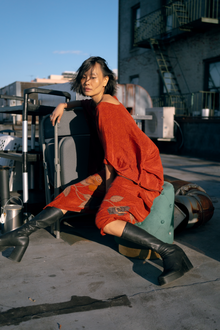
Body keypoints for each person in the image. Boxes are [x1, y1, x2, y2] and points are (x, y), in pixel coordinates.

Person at [0, 56, 193, 285]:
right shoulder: (100, 103)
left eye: (93, 76)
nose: (87, 81)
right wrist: (65, 104)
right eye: (84, 76)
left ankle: (171, 252)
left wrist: (110, 196)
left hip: (135, 171)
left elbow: (114, 160)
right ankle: (21, 234)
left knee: (106, 219)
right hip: (119, 167)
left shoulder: (109, 112)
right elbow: (86, 104)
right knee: (70, 196)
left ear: (106, 80)